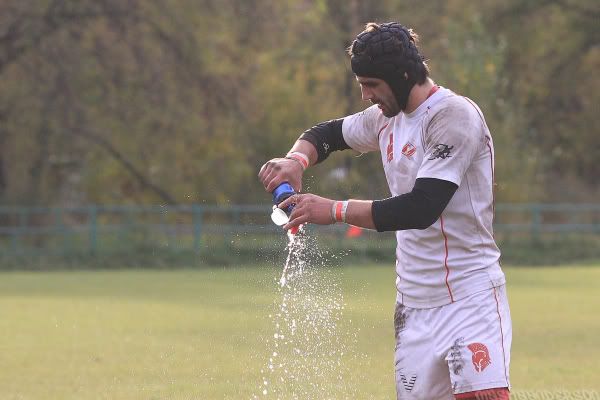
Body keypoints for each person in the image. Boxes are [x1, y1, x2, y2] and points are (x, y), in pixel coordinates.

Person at [258, 22, 511, 400]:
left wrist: (335, 209)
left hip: (469, 298)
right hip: (412, 305)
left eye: (372, 84)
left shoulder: (453, 116)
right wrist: (296, 160)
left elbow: (422, 207)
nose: (365, 95)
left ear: (403, 75)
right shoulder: (385, 118)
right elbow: (326, 135)